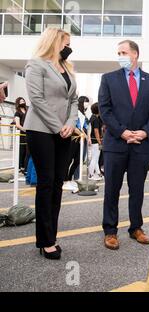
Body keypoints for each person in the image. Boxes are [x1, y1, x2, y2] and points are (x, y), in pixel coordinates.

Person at [98, 40, 149, 250]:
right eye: (118, 52)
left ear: (135, 54)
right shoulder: (108, 79)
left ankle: (136, 228)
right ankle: (110, 231)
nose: (120, 56)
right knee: (112, 190)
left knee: (137, 190)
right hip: (116, 143)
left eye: (123, 52)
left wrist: (144, 132)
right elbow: (105, 111)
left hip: (140, 146)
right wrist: (123, 132)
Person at [24, 28, 78, 260]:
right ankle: (45, 241)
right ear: (55, 42)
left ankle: (51, 235)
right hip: (41, 130)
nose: (69, 47)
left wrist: (70, 123)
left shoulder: (67, 68)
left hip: (65, 132)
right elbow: (36, 99)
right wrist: (58, 126)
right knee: (45, 183)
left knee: (57, 183)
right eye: (66, 42)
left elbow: (74, 99)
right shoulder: (36, 65)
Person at [64, 96, 90, 191]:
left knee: (78, 160)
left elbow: (86, 127)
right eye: (86, 101)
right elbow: (74, 125)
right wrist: (82, 134)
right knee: (68, 159)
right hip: (73, 138)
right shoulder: (75, 112)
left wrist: (87, 137)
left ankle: (70, 178)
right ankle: (65, 180)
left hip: (81, 140)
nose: (87, 104)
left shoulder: (84, 114)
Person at [88, 103, 103, 181]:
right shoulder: (96, 119)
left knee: (95, 158)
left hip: (92, 140)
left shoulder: (92, 117)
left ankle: (98, 173)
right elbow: (96, 131)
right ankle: (90, 174)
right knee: (94, 158)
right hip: (95, 141)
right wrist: (99, 141)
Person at [14, 97, 29, 174]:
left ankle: (25, 168)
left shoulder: (28, 111)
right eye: (21, 101)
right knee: (22, 151)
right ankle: (21, 167)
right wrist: (25, 130)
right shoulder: (17, 113)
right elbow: (17, 125)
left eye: (23, 100)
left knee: (28, 151)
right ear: (18, 103)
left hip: (28, 133)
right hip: (22, 133)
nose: (22, 102)